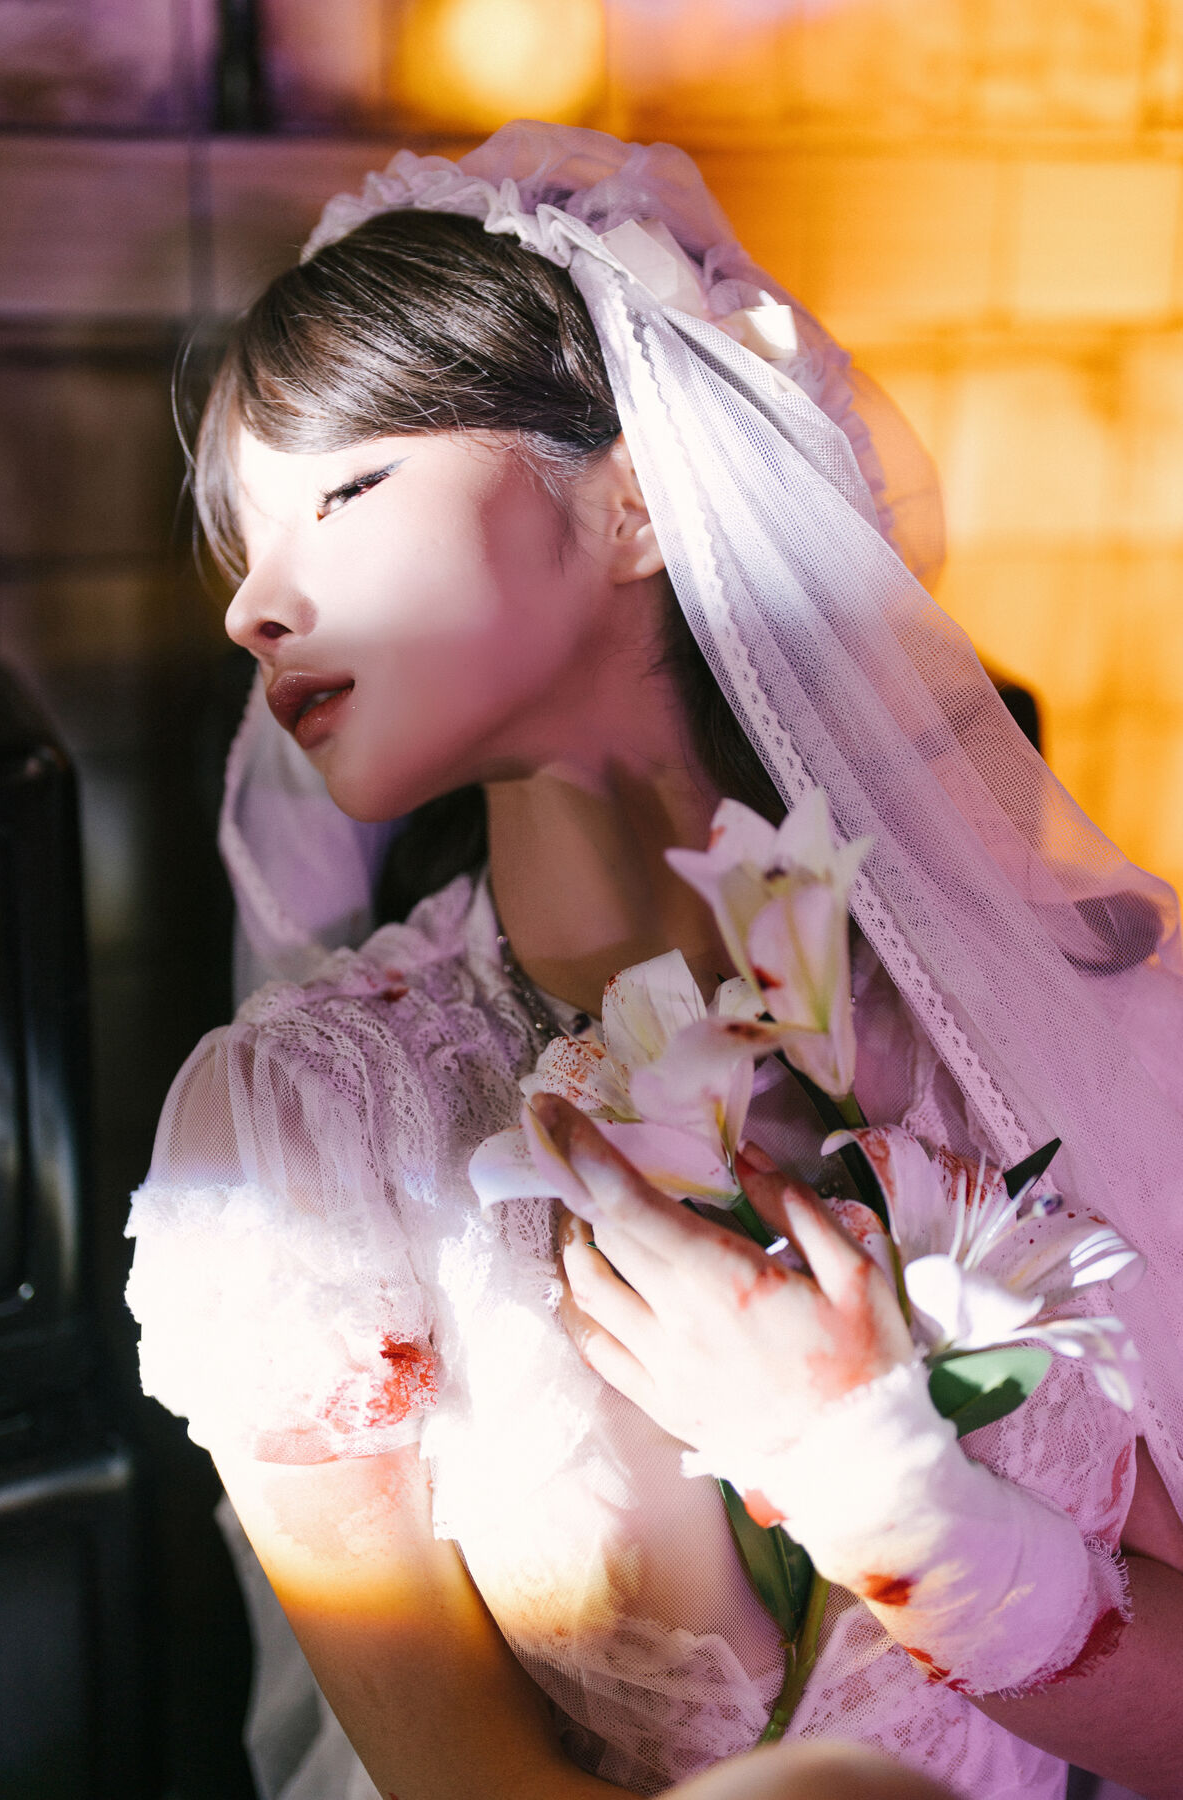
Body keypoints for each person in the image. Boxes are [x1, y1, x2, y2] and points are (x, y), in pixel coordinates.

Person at [125, 123, 1183, 1800]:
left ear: (631, 501)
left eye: (343, 493)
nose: (256, 607)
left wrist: (886, 1487)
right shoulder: (296, 1138)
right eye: (246, 550)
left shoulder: (1040, 1028)